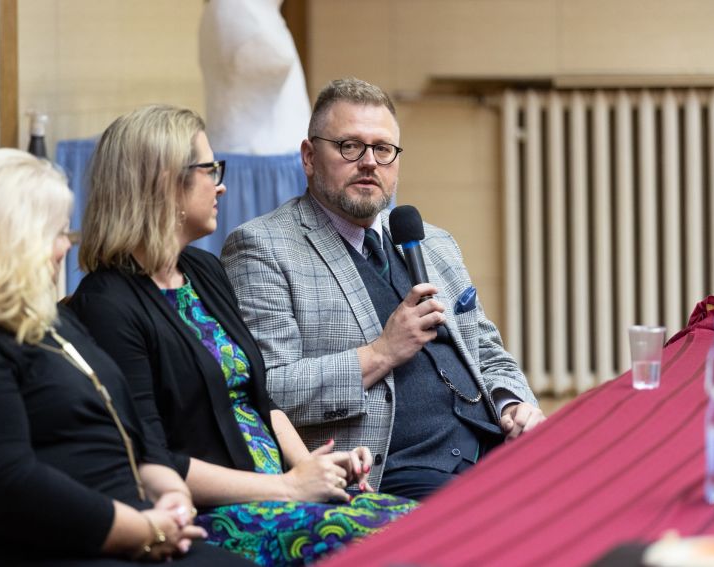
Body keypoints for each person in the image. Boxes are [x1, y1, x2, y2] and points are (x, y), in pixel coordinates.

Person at [68, 105, 417, 566]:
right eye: (209, 170)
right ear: (163, 183)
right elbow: (151, 459)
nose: (222, 184)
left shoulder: (204, 271)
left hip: (281, 494)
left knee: (428, 523)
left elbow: (260, 399)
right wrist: (289, 489)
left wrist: (313, 469)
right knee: (392, 541)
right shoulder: (108, 304)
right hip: (215, 513)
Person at [0, 149, 250, 566]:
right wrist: (143, 529)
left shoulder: (44, 318)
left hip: (122, 532)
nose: (62, 251)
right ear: (3, 240)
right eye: (54, 234)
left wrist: (171, 493)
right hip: (33, 550)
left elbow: (132, 431)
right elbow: (5, 485)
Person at [221, 77, 546, 501]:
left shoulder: (433, 241)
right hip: (393, 466)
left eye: (382, 149)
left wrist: (512, 404)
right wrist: (381, 353)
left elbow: (484, 347)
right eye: (349, 147)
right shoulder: (263, 247)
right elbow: (270, 390)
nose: (369, 162)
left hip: (493, 442)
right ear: (308, 157)